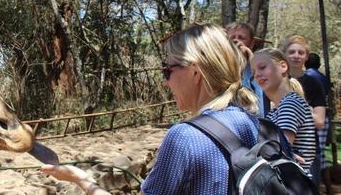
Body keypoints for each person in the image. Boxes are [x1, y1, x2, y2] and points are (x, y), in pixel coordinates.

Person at [41, 23, 262, 194]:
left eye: (167, 70)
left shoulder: (185, 137)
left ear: (195, 72)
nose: (165, 81)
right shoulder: (251, 119)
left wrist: (82, 180)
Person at [250, 48, 317, 176]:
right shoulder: (277, 109)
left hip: (291, 183)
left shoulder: (289, 104)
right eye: (254, 72)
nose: (257, 75)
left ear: (283, 66)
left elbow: (277, 149)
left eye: (262, 67)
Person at [282, 35, 326, 186]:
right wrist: (307, 110)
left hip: (308, 152)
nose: (296, 56)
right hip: (279, 148)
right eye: (292, 52)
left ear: (306, 56)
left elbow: (319, 122)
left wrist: (295, 107)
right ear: (284, 54)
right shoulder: (275, 81)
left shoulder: (314, 84)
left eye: (300, 52)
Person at [226, 22, 271, 117]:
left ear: (251, 43)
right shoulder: (221, 71)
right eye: (232, 38)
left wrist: (251, 58)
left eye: (241, 38)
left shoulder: (262, 70)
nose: (236, 41)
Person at [305, 52, 332, 178]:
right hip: (323, 114)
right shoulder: (323, 77)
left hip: (313, 116)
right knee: (320, 153)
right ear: (319, 64)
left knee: (315, 154)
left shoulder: (308, 77)